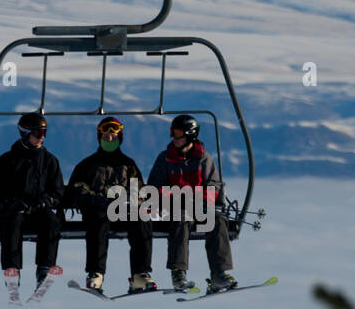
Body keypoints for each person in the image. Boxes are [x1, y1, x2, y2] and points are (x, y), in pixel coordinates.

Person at [63, 116, 156, 292]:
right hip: (97, 212)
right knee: (98, 219)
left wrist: (133, 201)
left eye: (113, 137)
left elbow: (140, 189)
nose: (110, 140)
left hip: (122, 212)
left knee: (141, 218)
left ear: (120, 139)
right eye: (106, 137)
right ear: (100, 138)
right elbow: (76, 188)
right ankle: (96, 273)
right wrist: (94, 198)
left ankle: (140, 274)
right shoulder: (88, 164)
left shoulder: (128, 165)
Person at [147, 114, 236, 292]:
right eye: (172, 132)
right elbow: (153, 188)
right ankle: (178, 273)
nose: (174, 138)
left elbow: (214, 186)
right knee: (181, 218)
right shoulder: (165, 159)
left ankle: (218, 273)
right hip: (176, 209)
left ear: (190, 135)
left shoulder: (203, 159)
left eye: (178, 133)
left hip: (200, 208)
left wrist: (198, 199)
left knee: (217, 220)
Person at [0, 112, 63, 288]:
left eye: (44, 133)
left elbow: (57, 192)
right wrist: (8, 203)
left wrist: (45, 201)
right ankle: (12, 270)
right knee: (12, 223)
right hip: (15, 210)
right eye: (37, 133)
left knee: (51, 221)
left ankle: (44, 267)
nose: (41, 137)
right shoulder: (8, 161)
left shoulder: (49, 161)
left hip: (38, 210)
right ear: (25, 133)